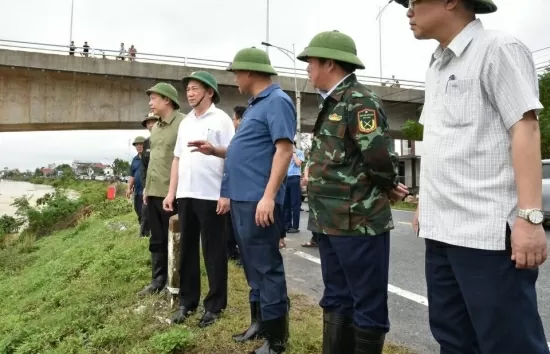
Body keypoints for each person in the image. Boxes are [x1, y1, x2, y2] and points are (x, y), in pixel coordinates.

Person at [393, 0, 549, 353]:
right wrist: (425, 207)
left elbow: (525, 129)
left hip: (487, 236)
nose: (409, 11)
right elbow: (446, 143)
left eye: (415, 1)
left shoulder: (497, 49)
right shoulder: (436, 65)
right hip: (442, 233)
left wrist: (530, 218)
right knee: (454, 339)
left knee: (510, 343)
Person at [297, 30, 408, 354]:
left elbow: (378, 157)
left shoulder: (359, 101)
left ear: (330, 63)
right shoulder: (332, 101)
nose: (307, 68)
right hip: (328, 219)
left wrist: (388, 186)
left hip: (358, 221)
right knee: (336, 296)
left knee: (367, 302)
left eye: (311, 62)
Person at [188, 47, 295, 354]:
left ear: (250, 72)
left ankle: (277, 341)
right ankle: (259, 324)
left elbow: (284, 150)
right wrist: (216, 150)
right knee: (251, 265)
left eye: (236, 72)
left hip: (258, 200)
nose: (234, 78)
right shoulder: (255, 105)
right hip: (242, 198)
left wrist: (269, 197)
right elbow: (247, 150)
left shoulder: (277, 102)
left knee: (267, 267)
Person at [163, 71, 234, 328]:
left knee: (214, 251)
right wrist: (172, 192)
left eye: (195, 89)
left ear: (209, 92)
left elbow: (232, 158)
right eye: (188, 89)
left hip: (211, 194)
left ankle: (214, 306)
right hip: (187, 194)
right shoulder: (185, 122)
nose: (190, 93)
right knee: (187, 250)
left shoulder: (222, 120)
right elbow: (177, 159)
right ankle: (187, 302)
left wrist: (226, 193)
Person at [137, 83, 185, 297]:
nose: (150, 103)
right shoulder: (155, 129)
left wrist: (173, 192)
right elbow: (152, 161)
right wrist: (147, 188)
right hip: (154, 192)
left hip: (172, 193)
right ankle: (158, 279)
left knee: (175, 240)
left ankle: (176, 281)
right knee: (156, 239)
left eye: (154, 98)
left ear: (167, 100)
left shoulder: (183, 124)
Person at [227, 106, 247, 264]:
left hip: (245, 189)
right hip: (234, 188)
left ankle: (242, 254)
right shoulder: (235, 137)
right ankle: (233, 251)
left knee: (244, 226)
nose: (232, 122)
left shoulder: (246, 138)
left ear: (240, 120)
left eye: (234, 119)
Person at [139, 112, 160, 238]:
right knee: (146, 212)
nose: (151, 125)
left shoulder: (169, 138)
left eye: (154, 121)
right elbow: (144, 167)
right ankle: (144, 235)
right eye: (148, 122)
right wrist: (145, 186)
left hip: (165, 185)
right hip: (150, 186)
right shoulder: (146, 142)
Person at [127, 136, 146, 237]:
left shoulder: (148, 157)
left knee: (145, 212)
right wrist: (128, 188)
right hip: (137, 191)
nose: (139, 146)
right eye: (137, 145)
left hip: (146, 191)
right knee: (137, 209)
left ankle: (144, 233)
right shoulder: (134, 160)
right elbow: (132, 176)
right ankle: (142, 227)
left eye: (141, 144)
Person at [283, 142, 304, 233]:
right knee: (286, 203)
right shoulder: (284, 152)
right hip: (285, 178)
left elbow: (298, 163)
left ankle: (295, 226)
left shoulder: (299, 152)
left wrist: (294, 152)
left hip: (295, 177)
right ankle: (287, 225)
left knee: (295, 203)